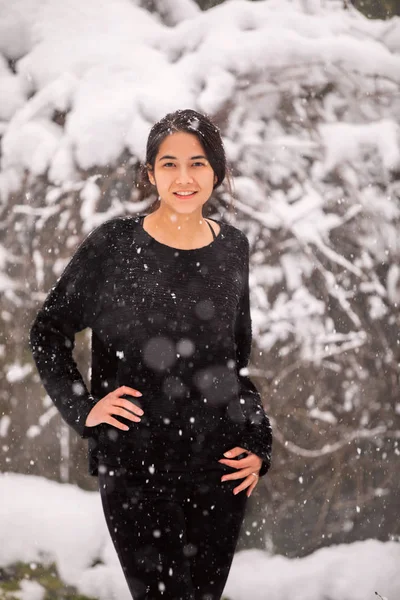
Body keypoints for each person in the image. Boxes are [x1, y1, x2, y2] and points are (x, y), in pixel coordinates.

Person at [29, 108, 273, 600]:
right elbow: (48, 333)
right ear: (151, 172)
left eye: (198, 163)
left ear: (218, 171)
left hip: (219, 469)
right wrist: (84, 409)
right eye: (169, 164)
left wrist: (259, 447)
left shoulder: (233, 249)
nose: (184, 178)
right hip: (136, 467)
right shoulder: (114, 246)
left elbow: (233, 366)